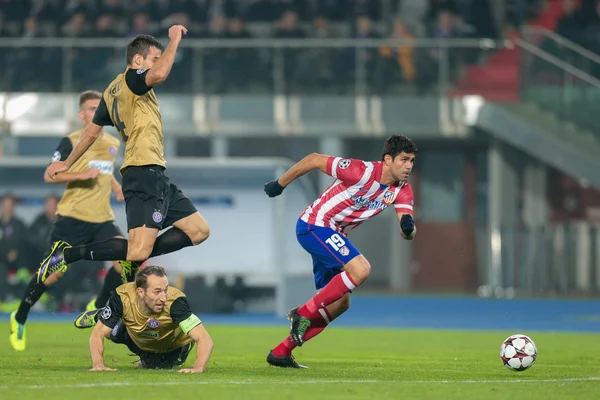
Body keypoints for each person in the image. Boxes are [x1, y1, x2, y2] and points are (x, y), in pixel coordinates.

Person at [40, 26, 210, 284]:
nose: (157, 64)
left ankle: (131, 260)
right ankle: (69, 254)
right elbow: (162, 73)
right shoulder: (132, 80)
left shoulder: (111, 92)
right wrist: (174, 39)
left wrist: (66, 162)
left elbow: (90, 134)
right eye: (154, 58)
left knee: (198, 231)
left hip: (156, 174)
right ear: (138, 60)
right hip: (141, 172)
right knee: (138, 250)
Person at [263, 135, 417, 368]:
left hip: (334, 236)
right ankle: (302, 313)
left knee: (341, 303)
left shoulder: (402, 190)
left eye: (412, 160)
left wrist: (408, 228)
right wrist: (280, 184)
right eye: (404, 160)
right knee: (361, 269)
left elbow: (407, 226)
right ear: (387, 159)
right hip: (314, 225)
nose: (409, 166)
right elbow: (314, 159)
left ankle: (282, 352)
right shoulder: (360, 171)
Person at [9, 90, 127, 352]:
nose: (97, 112)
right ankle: (19, 317)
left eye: (100, 108)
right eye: (92, 108)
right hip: (71, 219)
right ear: (82, 114)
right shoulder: (71, 141)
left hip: (102, 220)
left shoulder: (113, 143)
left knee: (126, 260)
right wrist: (82, 174)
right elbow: (49, 176)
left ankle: (96, 305)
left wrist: (116, 188)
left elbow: (105, 173)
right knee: (52, 274)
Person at [78, 265, 213, 372]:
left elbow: (204, 338)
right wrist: (98, 365)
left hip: (169, 346)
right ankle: (104, 316)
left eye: (165, 290)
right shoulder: (122, 296)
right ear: (141, 292)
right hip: (133, 336)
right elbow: (98, 333)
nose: (163, 298)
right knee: (110, 331)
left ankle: (108, 316)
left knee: (156, 367)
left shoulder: (175, 302)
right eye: (157, 292)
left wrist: (198, 367)